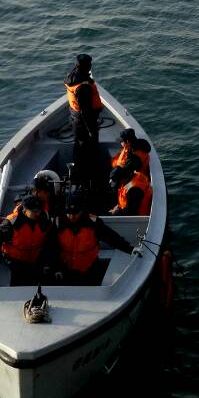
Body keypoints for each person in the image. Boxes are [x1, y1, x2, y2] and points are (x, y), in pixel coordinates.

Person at [0, 194, 53, 286]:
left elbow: (50, 241)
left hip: (35, 257)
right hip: (15, 260)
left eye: (39, 210)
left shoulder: (44, 219)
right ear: (25, 210)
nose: (38, 214)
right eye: (34, 211)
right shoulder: (11, 224)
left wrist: (47, 261)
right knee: (23, 280)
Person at [53, 189, 135, 284]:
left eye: (75, 213)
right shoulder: (58, 223)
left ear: (82, 210)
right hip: (66, 271)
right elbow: (51, 248)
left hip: (90, 271)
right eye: (69, 213)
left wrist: (130, 249)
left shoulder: (93, 223)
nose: (72, 216)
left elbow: (111, 237)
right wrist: (56, 268)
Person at [65, 54, 105, 191]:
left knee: (79, 146)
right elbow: (85, 112)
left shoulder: (72, 76)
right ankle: (90, 179)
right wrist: (91, 130)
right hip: (83, 122)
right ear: (86, 67)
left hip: (75, 118)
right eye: (89, 65)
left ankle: (78, 175)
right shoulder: (83, 88)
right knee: (88, 149)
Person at [109, 140, 153, 216]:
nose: (117, 184)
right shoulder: (133, 176)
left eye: (117, 181)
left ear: (122, 179)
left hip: (138, 220)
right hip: (126, 208)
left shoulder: (134, 190)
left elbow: (131, 212)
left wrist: (116, 212)